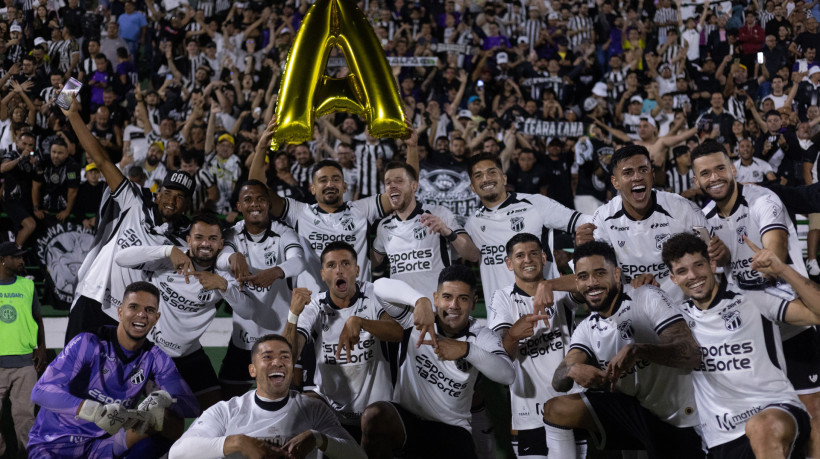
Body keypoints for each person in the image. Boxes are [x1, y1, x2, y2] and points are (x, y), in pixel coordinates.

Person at [690, 140, 820, 456]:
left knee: (813, 412)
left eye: (720, 168)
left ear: (733, 169)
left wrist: (766, 258)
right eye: (705, 173)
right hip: (748, 336)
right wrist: (715, 262)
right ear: (697, 181)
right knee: (763, 425)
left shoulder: (763, 199)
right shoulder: (702, 219)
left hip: (792, 320)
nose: (714, 177)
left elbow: (774, 247)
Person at [662, 233, 819, 458]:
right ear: (674, 278)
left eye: (698, 265)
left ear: (712, 263)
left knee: (762, 427)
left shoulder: (752, 297)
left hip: (777, 412)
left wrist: (783, 270)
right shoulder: (676, 320)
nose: (693, 275)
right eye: (682, 271)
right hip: (721, 439)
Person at [543, 241, 704, 457]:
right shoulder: (587, 328)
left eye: (600, 273)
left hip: (680, 417)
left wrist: (640, 351)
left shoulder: (646, 297)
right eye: (583, 277)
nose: (591, 283)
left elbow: (691, 354)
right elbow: (558, 381)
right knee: (556, 409)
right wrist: (572, 370)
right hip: (636, 412)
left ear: (617, 275)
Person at [61, 95, 197, 344]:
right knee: (74, 372)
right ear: (158, 194)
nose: (172, 201)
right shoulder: (134, 201)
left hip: (127, 314)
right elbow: (101, 160)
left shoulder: (185, 238)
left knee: (113, 381)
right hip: (93, 295)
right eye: (168, 193)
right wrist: (73, 116)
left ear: (187, 204)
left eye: (181, 198)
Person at [28, 281, 199, 458]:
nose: (141, 315)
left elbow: (191, 407)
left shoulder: (155, 357)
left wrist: (163, 399)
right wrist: (94, 411)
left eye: (149, 310)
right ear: (120, 312)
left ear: (156, 318)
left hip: (102, 446)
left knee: (170, 423)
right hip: (55, 442)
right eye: (133, 307)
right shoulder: (89, 342)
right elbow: (40, 392)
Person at [362, 265, 516, 459]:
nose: (454, 305)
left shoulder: (481, 335)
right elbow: (379, 286)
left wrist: (465, 349)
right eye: (447, 297)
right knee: (374, 415)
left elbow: (508, 375)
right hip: (408, 423)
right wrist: (419, 300)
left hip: (453, 430)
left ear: (474, 302)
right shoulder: (415, 320)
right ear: (436, 298)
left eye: (463, 298)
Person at [113, 214, 245, 410]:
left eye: (212, 239)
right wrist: (168, 250)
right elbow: (120, 258)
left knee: (216, 410)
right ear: (189, 240)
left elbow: (247, 311)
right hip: (154, 353)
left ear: (220, 243)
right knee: (163, 417)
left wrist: (224, 287)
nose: (205, 244)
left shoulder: (223, 273)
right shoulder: (170, 259)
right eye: (199, 237)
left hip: (190, 353)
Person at [248, 120, 398, 288]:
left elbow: (403, 190)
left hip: (357, 307)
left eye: (335, 179)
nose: (330, 184)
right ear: (312, 188)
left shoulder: (362, 209)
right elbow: (256, 190)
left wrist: (412, 147)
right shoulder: (300, 212)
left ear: (344, 186)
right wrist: (261, 148)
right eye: (323, 180)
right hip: (312, 308)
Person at [167, 334, 366, 459]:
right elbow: (178, 452)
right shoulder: (227, 411)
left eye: (285, 357)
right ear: (252, 370)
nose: (278, 362)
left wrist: (319, 439)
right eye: (268, 357)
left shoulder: (314, 410)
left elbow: (358, 456)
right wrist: (239, 443)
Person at [283, 241, 404, 436]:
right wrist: (293, 314)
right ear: (323, 275)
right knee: (300, 407)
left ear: (356, 270)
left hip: (375, 407)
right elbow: (288, 354)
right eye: (331, 265)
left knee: (373, 418)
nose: (339, 270)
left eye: (345, 264)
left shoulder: (374, 293)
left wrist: (361, 322)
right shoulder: (315, 306)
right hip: (331, 407)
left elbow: (397, 332)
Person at [580, 145, 726, 301]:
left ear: (652, 175)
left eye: (643, 170)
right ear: (615, 182)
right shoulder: (602, 218)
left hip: (682, 311)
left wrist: (721, 254)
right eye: (628, 172)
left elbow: (715, 262)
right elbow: (593, 280)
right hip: (632, 313)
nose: (637, 177)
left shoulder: (683, 209)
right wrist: (582, 250)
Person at [487, 233, 583, 458]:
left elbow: (587, 282)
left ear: (543, 258)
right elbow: (500, 358)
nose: (527, 260)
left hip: (571, 404)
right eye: (519, 255)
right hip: (530, 414)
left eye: (533, 254)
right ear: (509, 264)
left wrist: (549, 284)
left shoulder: (559, 288)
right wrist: (513, 335)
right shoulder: (502, 298)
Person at [464, 152, 591, 307]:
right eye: (478, 175)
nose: (486, 179)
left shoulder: (535, 204)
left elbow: (586, 222)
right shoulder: (472, 223)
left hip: (546, 311)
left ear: (504, 178)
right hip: (500, 317)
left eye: (492, 172)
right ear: (472, 187)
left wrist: (580, 253)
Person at [218, 179, 306, 398]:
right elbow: (219, 259)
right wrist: (232, 256)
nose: (255, 204)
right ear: (238, 206)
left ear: (268, 203)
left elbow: (298, 261)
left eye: (260, 199)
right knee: (227, 397)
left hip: (279, 333)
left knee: (291, 396)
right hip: (244, 335)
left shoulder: (283, 233)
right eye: (248, 200)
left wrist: (275, 272)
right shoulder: (232, 234)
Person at [373, 161, 479, 299]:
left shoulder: (439, 213)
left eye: (398, 181)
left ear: (414, 186)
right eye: (388, 183)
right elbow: (371, 261)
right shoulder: (384, 226)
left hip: (436, 310)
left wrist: (448, 233)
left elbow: (473, 255)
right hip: (401, 313)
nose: (392, 186)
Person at [0, 242, 46, 457]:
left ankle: (27, 454)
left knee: (25, 416)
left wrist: (42, 348)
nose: (21, 261)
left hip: (25, 362)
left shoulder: (27, 286)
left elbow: (38, 318)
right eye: (16, 257)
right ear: (3, 260)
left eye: (22, 257)